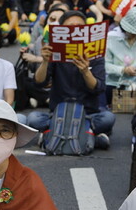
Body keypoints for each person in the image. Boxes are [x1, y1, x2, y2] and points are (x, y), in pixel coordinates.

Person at [29, 10, 115, 149]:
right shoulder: (55, 52)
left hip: (88, 112)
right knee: (33, 118)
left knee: (108, 118)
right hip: (59, 112)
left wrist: (85, 71)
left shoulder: (95, 55)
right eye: (70, 26)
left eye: (79, 26)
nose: (75, 29)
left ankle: (51, 133)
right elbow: (39, 82)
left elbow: (98, 88)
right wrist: (45, 61)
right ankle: (90, 135)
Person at [105, 6, 136, 100]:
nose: (135, 34)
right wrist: (123, 70)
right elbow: (105, 65)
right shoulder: (111, 38)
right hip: (115, 84)